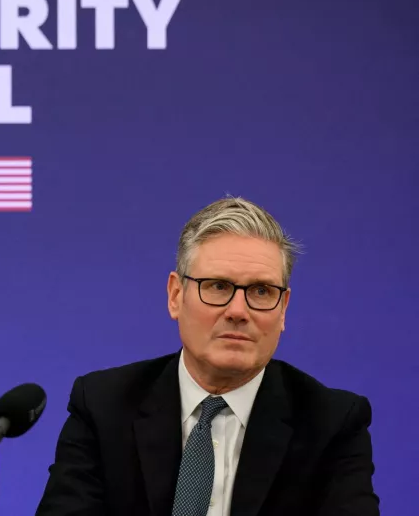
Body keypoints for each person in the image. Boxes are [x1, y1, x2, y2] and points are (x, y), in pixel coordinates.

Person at [35, 197, 379, 516]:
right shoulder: (103, 405)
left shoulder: (332, 423)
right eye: (218, 286)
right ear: (175, 295)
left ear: (284, 309)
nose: (238, 310)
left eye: (261, 291)